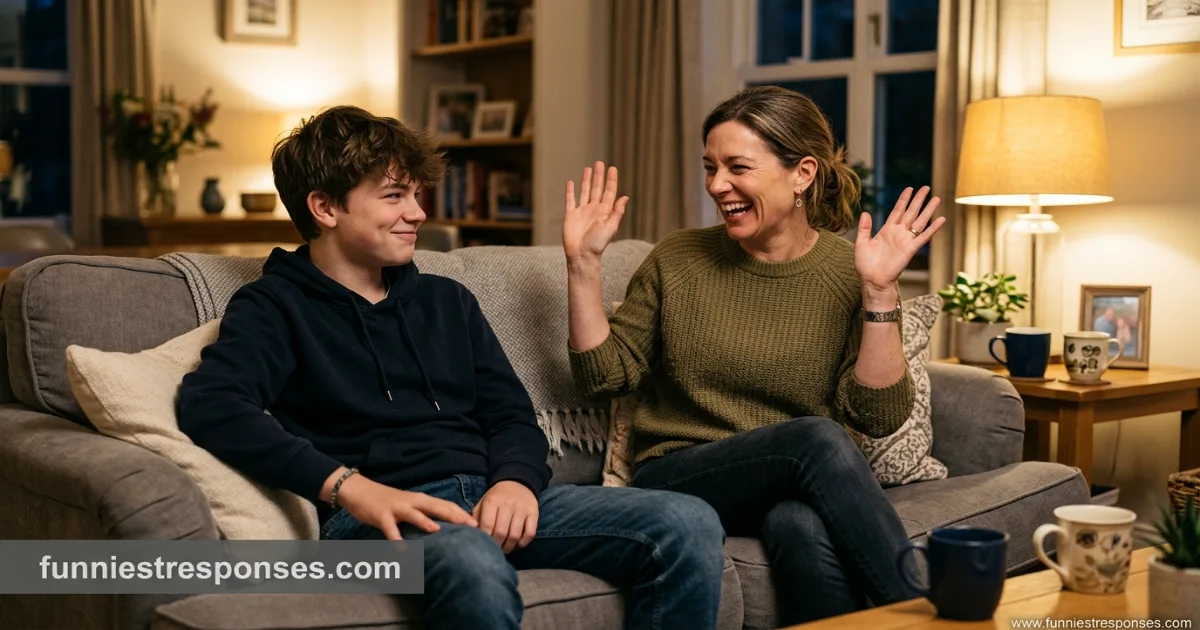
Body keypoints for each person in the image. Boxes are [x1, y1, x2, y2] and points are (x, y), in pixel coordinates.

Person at [175, 105, 726, 630]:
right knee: (471, 559)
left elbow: (510, 414)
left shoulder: (448, 301)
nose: (417, 212)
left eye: (416, 194)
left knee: (686, 522)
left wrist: (514, 483)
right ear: (325, 208)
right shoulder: (274, 306)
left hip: (487, 497)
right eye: (394, 196)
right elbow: (213, 404)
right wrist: (348, 487)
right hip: (378, 523)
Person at [562, 85, 945, 625]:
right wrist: (583, 265)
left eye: (737, 167)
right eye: (710, 167)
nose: (718, 185)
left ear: (802, 174)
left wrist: (879, 292)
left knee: (798, 524)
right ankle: (924, 616)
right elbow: (603, 379)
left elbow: (878, 416)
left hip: (792, 483)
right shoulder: (678, 258)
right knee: (815, 437)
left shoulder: (848, 270)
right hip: (679, 474)